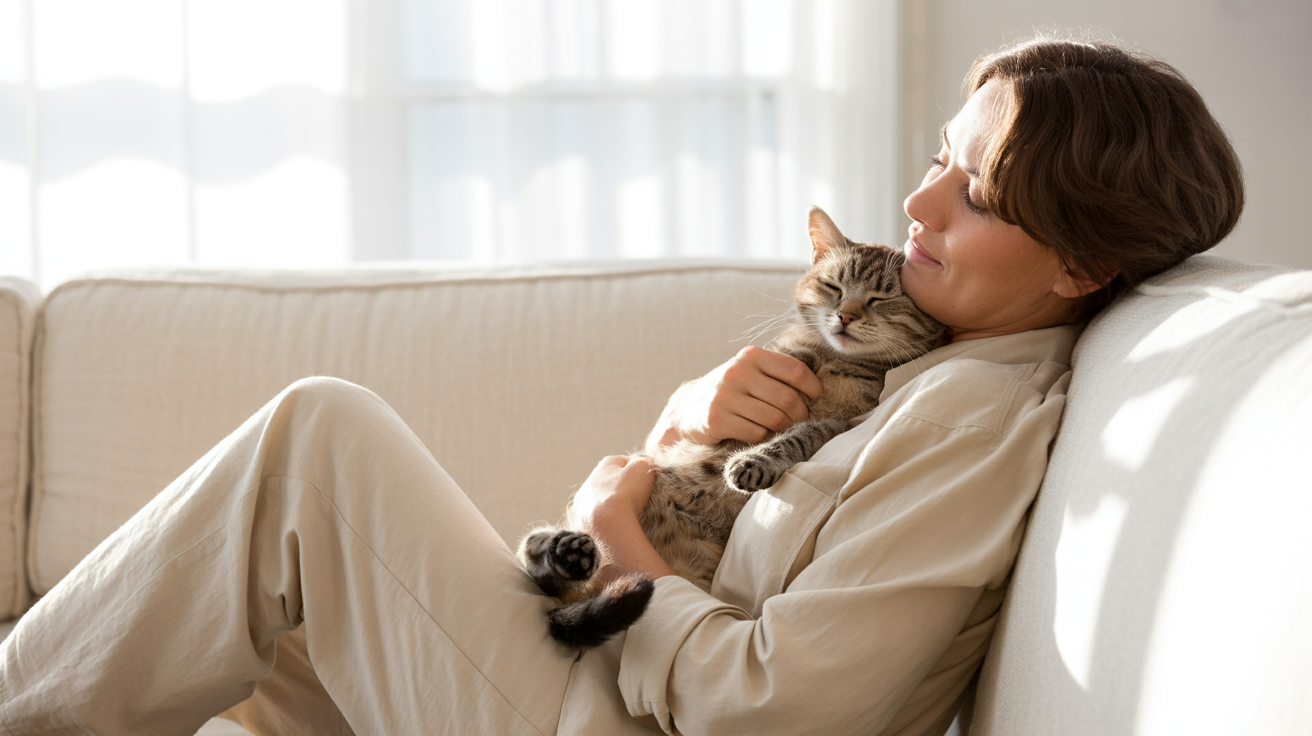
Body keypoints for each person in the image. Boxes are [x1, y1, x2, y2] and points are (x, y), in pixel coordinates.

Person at [0, 35, 1242, 736]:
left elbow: (778, 711)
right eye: (935, 160)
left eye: (973, 192)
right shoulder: (930, 364)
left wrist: (611, 536)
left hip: (618, 720)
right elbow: (732, 537)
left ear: (1082, 260)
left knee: (317, 441)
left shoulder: (978, 418)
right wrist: (677, 427)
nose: (916, 205)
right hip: (594, 680)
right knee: (253, 621)